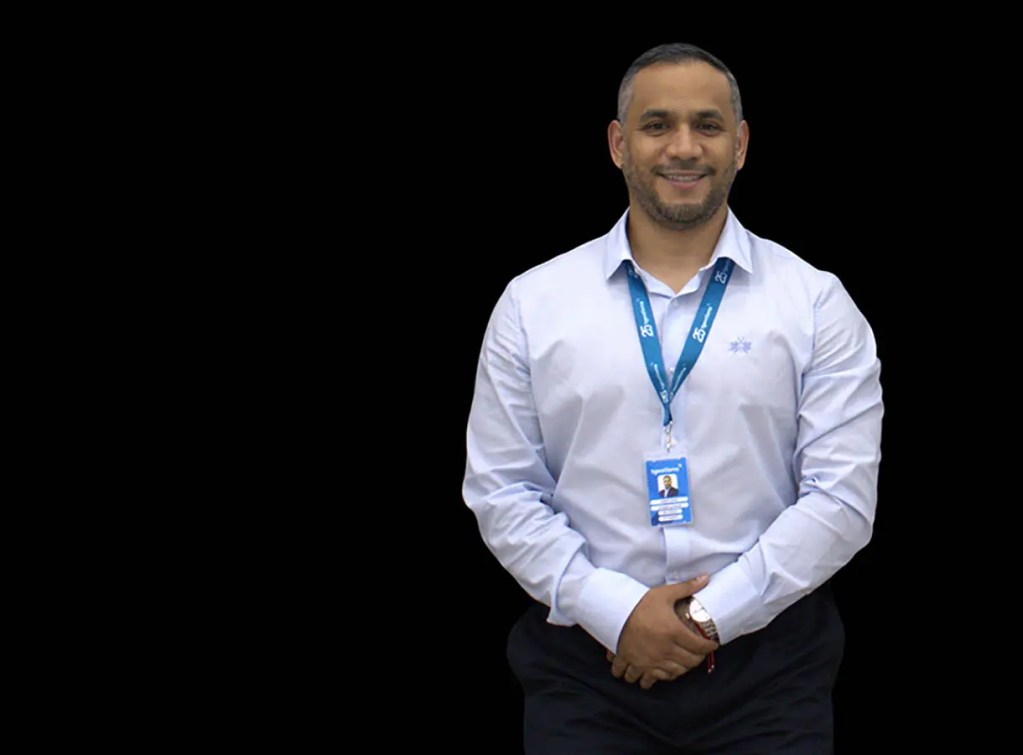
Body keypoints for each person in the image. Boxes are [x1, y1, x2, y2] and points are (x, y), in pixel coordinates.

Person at [462, 42, 882, 754]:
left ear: (741, 144)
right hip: (585, 671)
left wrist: (705, 618)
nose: (683, 147)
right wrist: (616, 613)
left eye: (707, 125)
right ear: (618, 144)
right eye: (656, 125)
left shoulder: (815, 303)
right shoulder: (532, 304)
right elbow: (501, 492)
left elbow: (840, 500)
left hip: (769, 672)